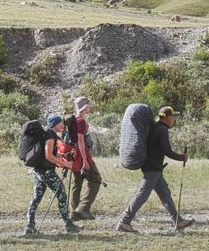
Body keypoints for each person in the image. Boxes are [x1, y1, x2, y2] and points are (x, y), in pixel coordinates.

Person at [116, 105, 194, 233]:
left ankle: (178, 221)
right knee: (142, 195)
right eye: (173, 117)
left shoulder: (154, 127)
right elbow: (167, 151)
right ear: (167, 118)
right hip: (152, 168)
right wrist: (181, 157)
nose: (174, 119)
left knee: (165, 194)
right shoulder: (162, 130)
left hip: (153, 167)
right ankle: (125, 221)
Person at [24, 115, 82, 237]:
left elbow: (53, 152)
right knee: (62, 195)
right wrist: (66, 164)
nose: (63, 125)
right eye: (60, 123)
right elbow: (48, 156)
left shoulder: (49, 135)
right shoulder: (50, 136)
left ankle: (30, 226)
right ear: (54, 124)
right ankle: (69, 225)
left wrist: (65, 153)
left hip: (39, 170)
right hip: (46, 172)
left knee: (36, 198)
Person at [66, 96, 104, 220]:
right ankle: (83, 208)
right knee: (96, 179)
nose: (90, 107)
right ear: (84, 106)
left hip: (74, 154)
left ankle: (74, 214)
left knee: (76, 184)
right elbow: (81, 140)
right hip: (82, 154)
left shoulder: (73, 119)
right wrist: (85, 161)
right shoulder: (81, 121)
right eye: (88, 105)